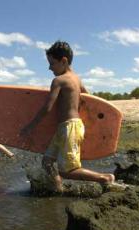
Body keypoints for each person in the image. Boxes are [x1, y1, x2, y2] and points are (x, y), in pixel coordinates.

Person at [21, 41, 115, 192]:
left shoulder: (59, 80)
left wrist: (30, 127)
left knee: (67, 170)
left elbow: (47, 107)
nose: (49, 67)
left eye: (52, 63)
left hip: (69, 127)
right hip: (66, 127)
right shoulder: (76, 79)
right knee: (47, 162)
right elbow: (87, 97)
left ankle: (104, 178)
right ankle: (58, 189)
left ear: (63, 61)